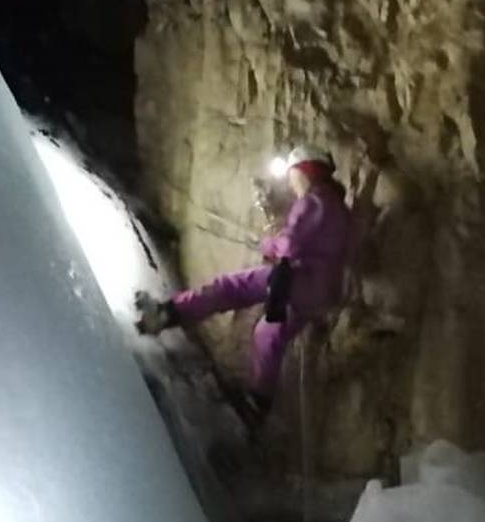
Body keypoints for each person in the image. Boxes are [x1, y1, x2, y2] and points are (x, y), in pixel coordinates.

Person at [135, 144, 353, 421]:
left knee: (230, 288)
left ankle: (169, 313)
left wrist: (270, 244)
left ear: (305, 172)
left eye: (293, 175)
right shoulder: (340, 210)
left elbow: (291, 245)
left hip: (298, 280)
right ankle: (258, 401)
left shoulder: (315, 201)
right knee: (268, 334)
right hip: (320, 292)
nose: (290, 182)